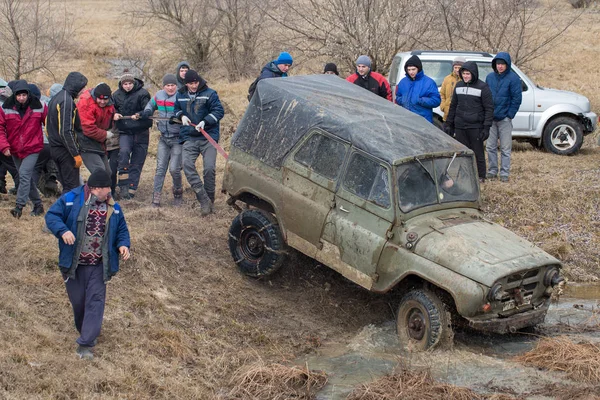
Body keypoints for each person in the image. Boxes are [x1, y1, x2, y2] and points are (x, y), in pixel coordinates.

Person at [45, 169, 130, 360]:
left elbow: (122, 229)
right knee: (79, 303)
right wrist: (63, 231)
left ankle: (86, 343)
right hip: (74, 264)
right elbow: (51, 216)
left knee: (95, 302)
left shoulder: (114, 207)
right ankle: (86, 329)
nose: (109, 191)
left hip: (99, 265)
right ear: (95, 188)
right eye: (107, 188)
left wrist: (123, 245)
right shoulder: (71, 199)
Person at [174, 70, 224, 215]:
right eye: (191, 83)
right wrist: (181, 116)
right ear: (186, 83)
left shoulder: (210, 93)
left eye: (196, 82)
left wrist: (205, 121)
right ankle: (203, 199)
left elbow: (219, 111)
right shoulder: (180, 94)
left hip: (208, 136)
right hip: (189, 137)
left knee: (209, 169)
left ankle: (210, 201)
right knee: (187, 165)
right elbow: (176, 109)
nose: (194, 86)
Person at [0, 80, 48, 218]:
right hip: (14, 149)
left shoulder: (39, 106)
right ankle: (38, 205)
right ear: (14, 95)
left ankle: (19, 207)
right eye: (19, 95)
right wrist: (4, 146)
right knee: (25, 177)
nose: (21, 98)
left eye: (24, 95)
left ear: (28, 94)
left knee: (24, 174)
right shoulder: (5, 108)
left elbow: (49, 125)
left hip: (33, 147)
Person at [137, 74, 183, 207]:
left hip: (178, 139)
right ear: (163, 86)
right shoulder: (158, 95)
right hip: (163, 138)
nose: (170, 88)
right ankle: (156, 198)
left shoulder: (181, 96)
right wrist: (147, 112)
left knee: (174, 169)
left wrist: (179, 117)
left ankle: (178, 194)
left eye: (172, 85)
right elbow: (150, 106)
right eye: (167, 85)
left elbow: (187, 112)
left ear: (176, 85)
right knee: (160, 169)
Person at [445, 61, 494, 183]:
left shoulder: (483, 87)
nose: (466, 76)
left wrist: (486, 127)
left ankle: (481, 176)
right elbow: (453, 105)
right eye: (464, 73)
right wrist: (449, 123)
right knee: (463, 152)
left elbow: (489, 108)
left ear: (473, 74)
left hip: (475, 126)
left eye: (468, 73)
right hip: (460, 125)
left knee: (477, 152)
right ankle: (465, 174)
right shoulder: (459, 85)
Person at [47, 72, 89, 193]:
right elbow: (66, 131)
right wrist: (75, 153)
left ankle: (66, 209)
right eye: (82, 87)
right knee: (71, 187)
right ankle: (68, 211)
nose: (83, 90)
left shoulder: (56, 97)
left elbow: (48, 125)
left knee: (67, 184)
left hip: (55, 148)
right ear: (75, 86)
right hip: (65, 151)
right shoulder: (66, 101)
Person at [112, 74, 152, 200]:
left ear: (134, 83)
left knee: (137, 162)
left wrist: (140, 114)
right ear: (121, 84)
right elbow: (112, 109)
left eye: (130, 83)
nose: (128, 86)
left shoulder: (143, 93)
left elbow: (148, 110)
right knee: (123, 154)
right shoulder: (116, 95)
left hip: (141, 132)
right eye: (125, 84)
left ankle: (131, 189)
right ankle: (123, 184)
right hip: (125, 131)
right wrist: (115, 114)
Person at [485, 52, 522, 182]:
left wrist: (509, 115)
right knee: (490, 146)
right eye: (498, 64)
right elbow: (486, 97)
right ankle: (492, 171)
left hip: (505, 119)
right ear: (495, 65)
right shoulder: (490, 77)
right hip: (491, 119)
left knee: (506, 148)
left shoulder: (513, 79)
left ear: (507, 65)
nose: (500, 66)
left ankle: (504, 173)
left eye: (502, 64)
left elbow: (517, 98)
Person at [28, 83, 60, 197]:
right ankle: (51, 181)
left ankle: (32, 194)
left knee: (34, 168)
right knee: (51, 162)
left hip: (38, 142)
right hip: (52, 141)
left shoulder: (28, 107)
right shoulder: (49, 104)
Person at [77, 83, 115, 175]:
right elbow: (88, 128)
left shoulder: (110, 104)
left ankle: (97, 189)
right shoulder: (86, 103)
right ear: (95, 96)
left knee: (108, 173)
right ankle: (89, 189)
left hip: (100, 144)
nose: (102, 102)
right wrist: (105, 134)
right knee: (100, 173)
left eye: (105, 99)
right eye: (100, 99)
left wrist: (114, 116)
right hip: (86, 143)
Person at [394, 55, 441, 124]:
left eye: (413, 69)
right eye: (409, 70)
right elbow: (398, 96)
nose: (411, 72)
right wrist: (403, 100)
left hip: (422, 120)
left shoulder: (429, 82)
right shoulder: (403, 82)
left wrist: (420, 100)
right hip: (406, 119)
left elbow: (436, 100)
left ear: (418, 69)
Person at [0, 80, 19, 194]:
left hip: (4, 140)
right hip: (7, 141)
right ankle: (22, 191)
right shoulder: (11, 104)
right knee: (15, 168)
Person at [440, 57, 465, 126]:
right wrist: (443, 106)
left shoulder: (466, 79)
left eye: (459, 68)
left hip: (461, 117)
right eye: (455, 67)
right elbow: (442, 94)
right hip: (447, 116)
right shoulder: (447, 79)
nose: (457, 70)